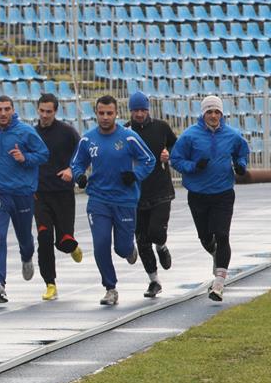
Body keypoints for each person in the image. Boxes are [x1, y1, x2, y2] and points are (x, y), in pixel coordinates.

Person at [70, 95, 155, 305]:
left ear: (116, 114)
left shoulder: (129, 137)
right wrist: (79, 176)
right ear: (96, 114)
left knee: (122, 248)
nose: (105, 117)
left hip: (125, 200)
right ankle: (110, 288)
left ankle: (129, 249)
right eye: (101, 113)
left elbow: (149, 159)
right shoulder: (88, 139)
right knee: (100, 244)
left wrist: (135, 175)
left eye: (109, 113)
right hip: (98, 200)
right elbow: (76, 163)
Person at [170, 95, 249, 301]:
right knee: (206, 238)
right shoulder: (189, 136)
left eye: (217, 112)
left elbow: (242, 152)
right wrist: (194, 166)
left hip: (223, 193)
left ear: (222, 114)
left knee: (222, 235)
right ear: (203, 114)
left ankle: (219, 284)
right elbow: (176, 159)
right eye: (209, 112)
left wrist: (240, 165)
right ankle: (215, 254)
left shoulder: (232, 135)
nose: (213, 116)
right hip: (198, 194)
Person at [0, 95, 49, 303]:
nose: (3, 113)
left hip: (22, 192)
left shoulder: (26, 132)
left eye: (7, 109)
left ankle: (27, 256)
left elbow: (43, 154)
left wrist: (25, 158)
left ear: (13, 110)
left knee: (24, 237)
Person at [125, 91, 178, 298]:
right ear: (130, 110)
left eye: (143, 110)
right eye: (135, 110)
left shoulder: (161, 127)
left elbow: (174, 144)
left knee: (156, 232)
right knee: (142, 240)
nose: (139, 114)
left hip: (161, 189)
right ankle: (154, 281)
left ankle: (162, 246)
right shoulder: (124, 130)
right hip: (136, 193)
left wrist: (169, 153)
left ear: (148, 110)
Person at [33, 93, 83, 301]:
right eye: (42, 111)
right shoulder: (31, 134)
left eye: (49, 112)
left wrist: (72, 170)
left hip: (63, 193)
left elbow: (83, 154)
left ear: (55, 111)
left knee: (63, 240)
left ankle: (72, 246)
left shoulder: (67, 132)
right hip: (39, 194)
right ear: (37, 110)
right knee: (44, 238)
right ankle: (50, 283)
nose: (45, 115)